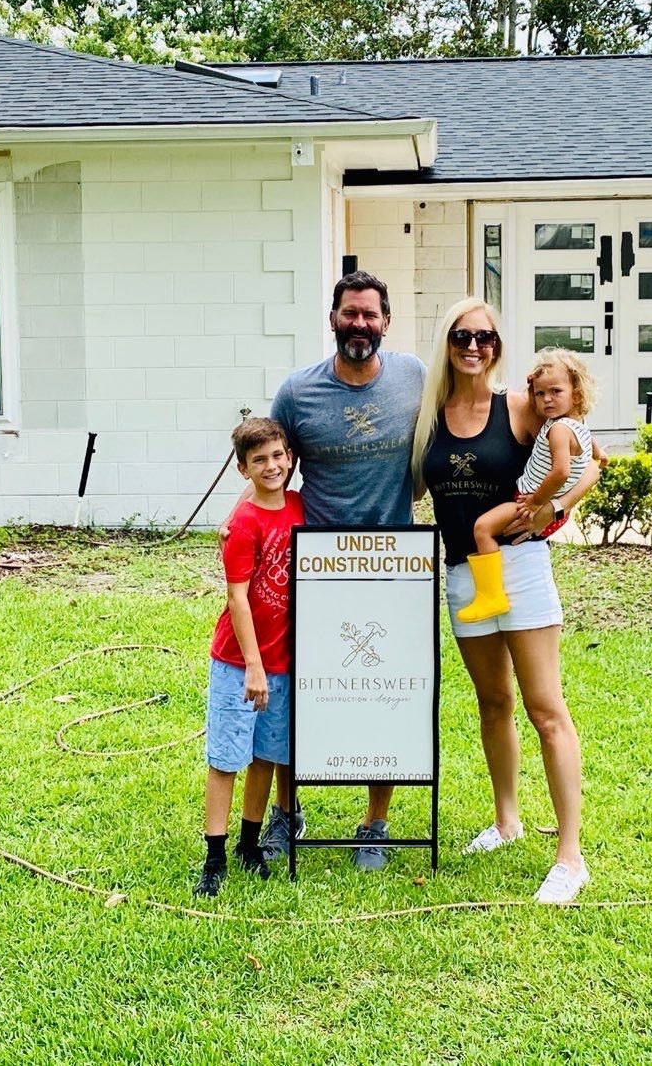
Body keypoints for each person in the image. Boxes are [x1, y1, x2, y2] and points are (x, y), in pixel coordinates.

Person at [411, 297, 597, 904]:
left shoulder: (521, 408)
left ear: (497, 344)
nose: (473, 345)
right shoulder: (429, 416)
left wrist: (555, 509)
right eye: (462, 335)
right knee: (493, 702)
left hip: (519, 566)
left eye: (485, 336)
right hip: (463, 572)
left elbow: (585, 461)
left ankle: (570, 855)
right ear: (448, 342)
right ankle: (507, 820)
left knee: (546, 708)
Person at [255, 271, 428, 870]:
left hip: (395, 568)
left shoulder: (414, 378)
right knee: (298, 694)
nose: (360, 324)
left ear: (386, 321)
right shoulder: (298, 393)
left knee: (385, 695)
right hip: (318, 567)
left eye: (370, 315)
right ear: (333, 319)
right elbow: (270, 467)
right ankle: (286, 814)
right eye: (350, 313)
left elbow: (472, 417)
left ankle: (374, 824)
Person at [195, 418, 304, 898]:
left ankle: (248, 843)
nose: (272, 465)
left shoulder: (299, 508)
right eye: (260, 460)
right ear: (243, 470)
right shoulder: (243, 523)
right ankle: (214, 856)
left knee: (265, 755)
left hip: (284, 661)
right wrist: (254, 667)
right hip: (241, 662)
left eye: (278, 456)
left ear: (290, 458)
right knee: (227, 758)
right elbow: (238, 598)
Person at [457, 348, 596, 623]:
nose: (546, 400)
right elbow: (597, 458)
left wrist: (535, 502)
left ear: (576, 394)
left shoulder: (558, 430)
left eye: (555, 392)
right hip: (549, 506)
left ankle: (490, 595)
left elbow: (560, 472)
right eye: (540, 393)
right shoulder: (577, 425)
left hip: (534, 503)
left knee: (483, 528)